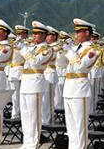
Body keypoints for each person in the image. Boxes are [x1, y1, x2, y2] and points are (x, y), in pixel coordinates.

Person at [59, 18, 99, 149]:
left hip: (80, 88)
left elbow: (80, 67)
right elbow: (62, 65)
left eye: (79, 31)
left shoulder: (92, 50)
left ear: (87, 32)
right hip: (69, 88)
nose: (76, 34)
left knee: (80, 125)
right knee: (70, 125)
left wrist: (69, 52)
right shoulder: (76, 48)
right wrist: (61, 53)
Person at [18, 20, 53, 149]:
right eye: (34, 33)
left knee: (34, 115)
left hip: (36, 83)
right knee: (25, 114)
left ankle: (33, 142)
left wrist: (25, 52)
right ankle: (27, 141)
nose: (34, 36)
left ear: (44, 36)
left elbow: (35, 63)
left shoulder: (47, 49)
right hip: (26, 82)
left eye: (37, 34)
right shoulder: (33, 48)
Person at [8, 25, 29, 120]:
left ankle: (23, 114)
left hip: (22, 70)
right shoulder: (13, 43)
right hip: (13, 71)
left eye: (21, 34)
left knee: (23, 94)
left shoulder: (28, 44)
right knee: (14, 95)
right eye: (18, 34)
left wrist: (22, 45)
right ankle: (15, 114)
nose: (19, 36)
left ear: (25, 34)